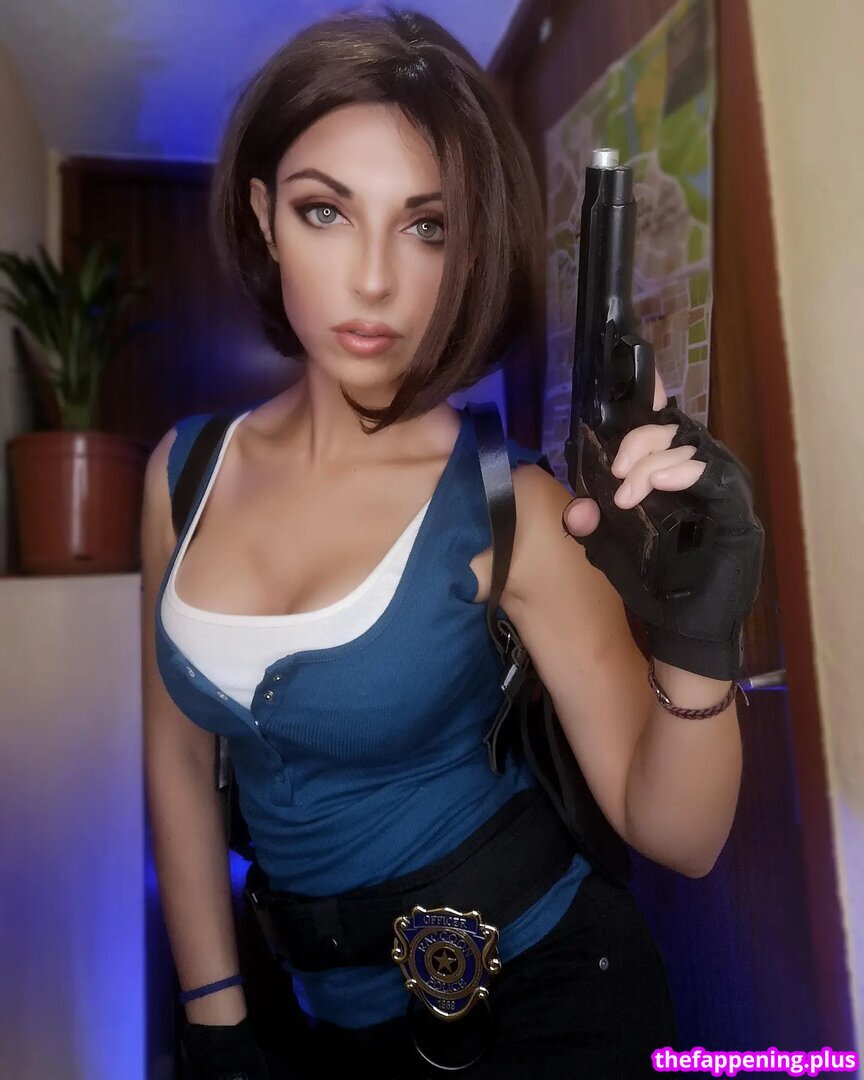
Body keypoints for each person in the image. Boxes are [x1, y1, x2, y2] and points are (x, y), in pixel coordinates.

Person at [140, 7, 763, 1079]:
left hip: (543, 997)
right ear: (263, 216)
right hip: (324, 1027)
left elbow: (682, 836)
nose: (374, 279)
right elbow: (178, 755)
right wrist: (216, 1024)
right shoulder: (181, 475)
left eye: (425, 226)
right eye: (326, 211)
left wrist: (696, 637)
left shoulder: (508, 505)